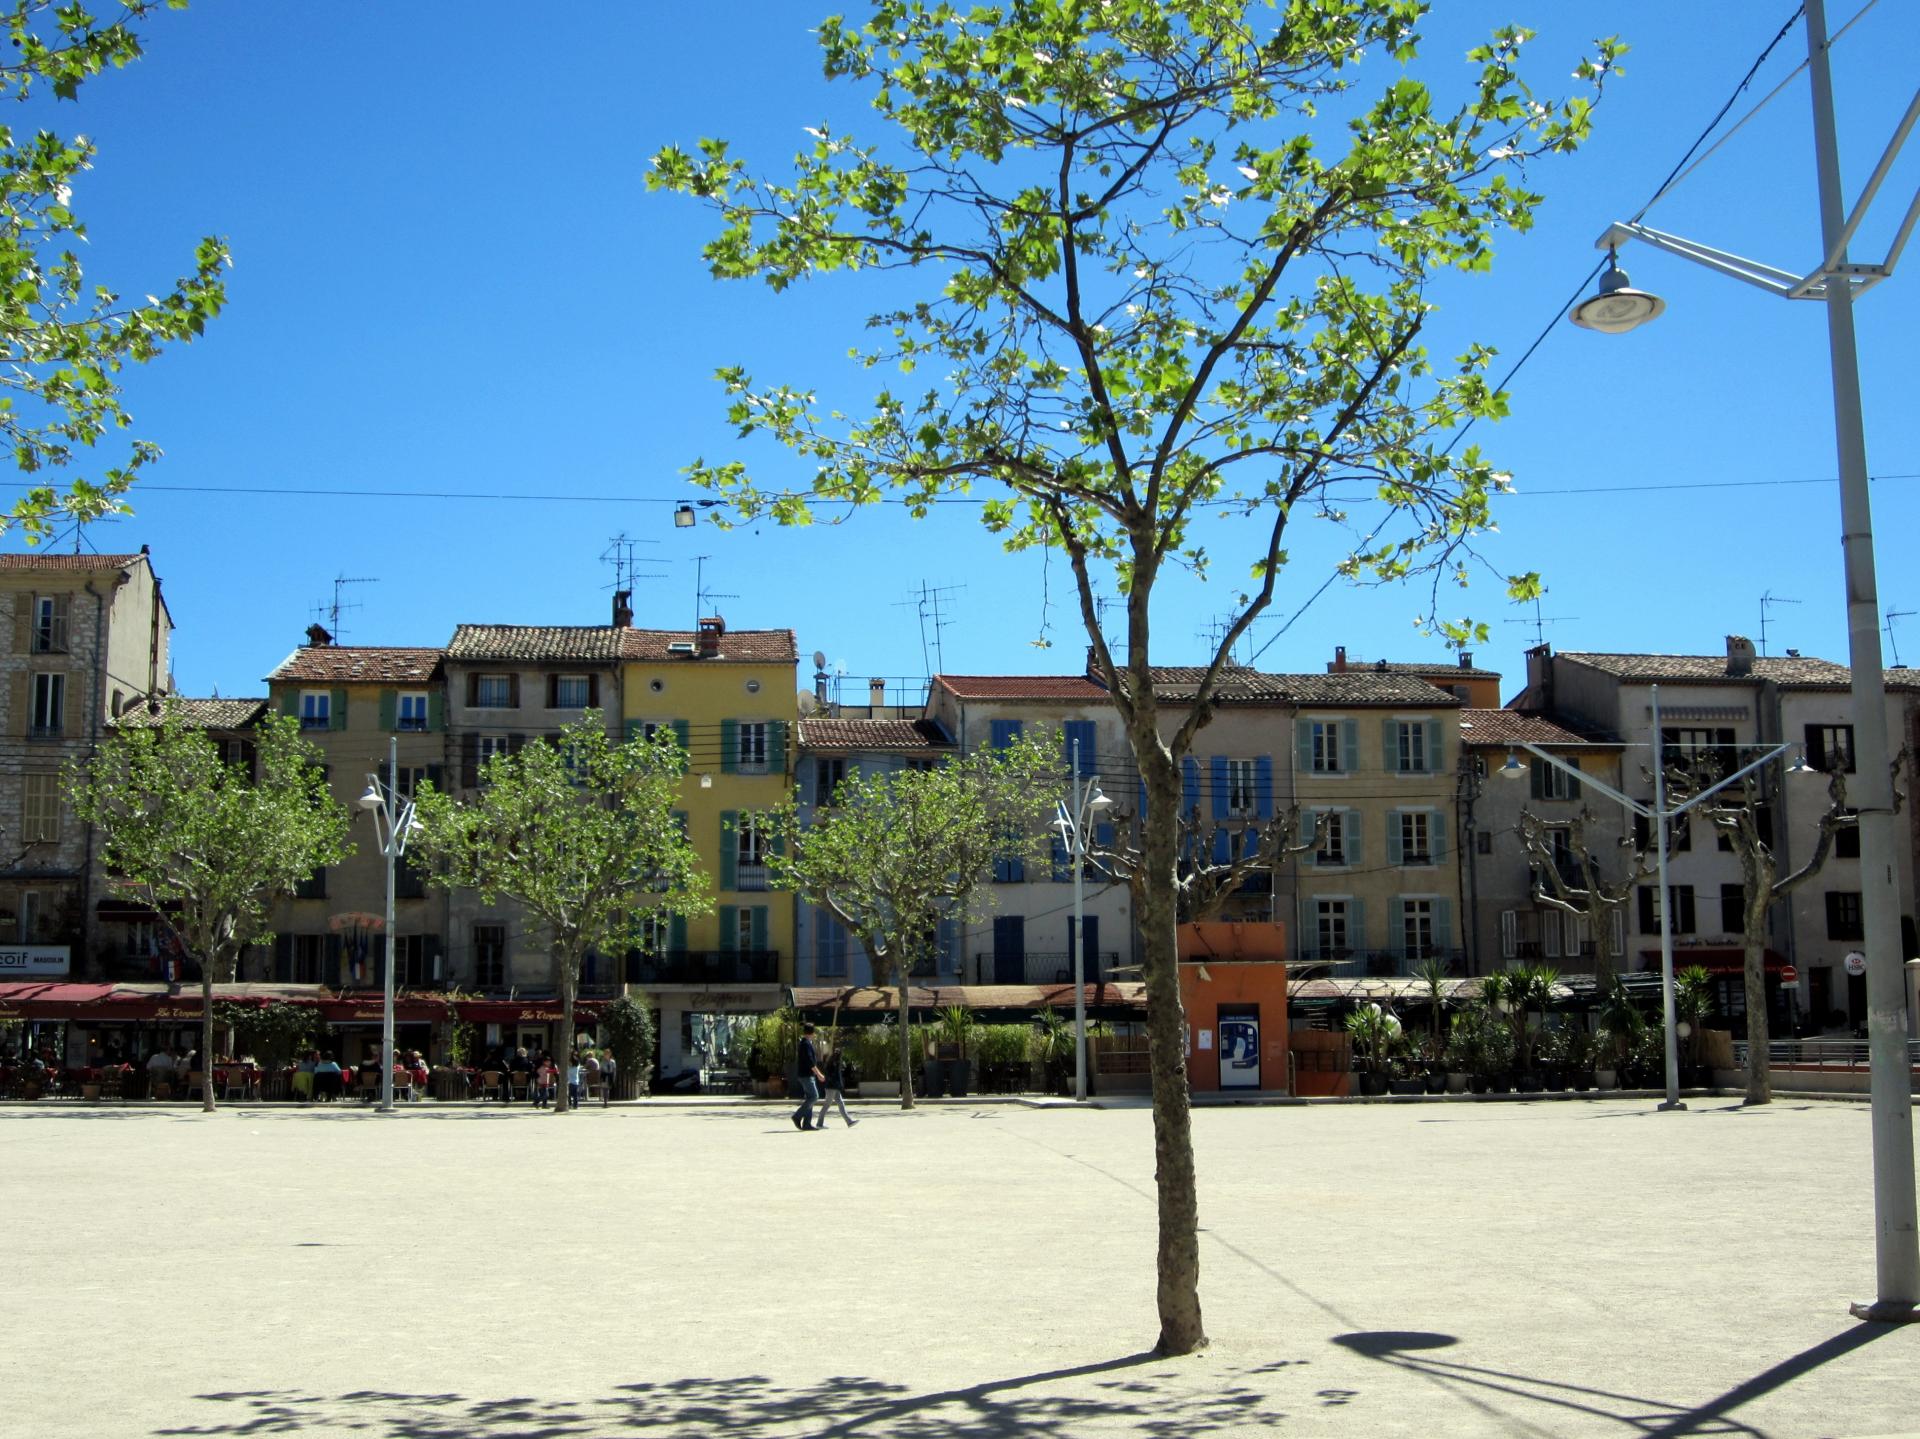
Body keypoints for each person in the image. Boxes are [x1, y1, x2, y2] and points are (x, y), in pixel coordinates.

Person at [792, 1023, 825, 1131]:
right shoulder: (806, 1044)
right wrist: (819, 1074)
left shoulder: (805, 1043)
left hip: (806, 1075)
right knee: (814, 1097)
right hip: (806, 1075)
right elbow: (810, 1061)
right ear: (812, 1033)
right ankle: (797, 1116)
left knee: (810, 1098)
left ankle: (807, 1123)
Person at [814, 1043, 856, 1129]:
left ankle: (849, 1121)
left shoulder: (832, 1062)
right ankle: (819, 1123)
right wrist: (839, 1085)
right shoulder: (835, 1063)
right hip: (832, 1087)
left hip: (833, 1087)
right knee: (827, 1105)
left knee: (840, 1103)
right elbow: (834, 1076)